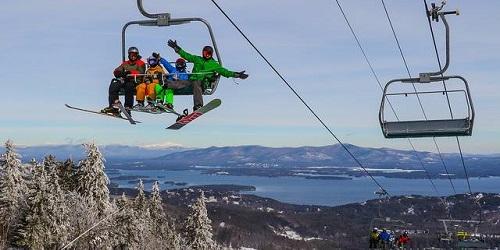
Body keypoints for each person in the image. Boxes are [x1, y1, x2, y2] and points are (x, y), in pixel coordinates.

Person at [166, 39, 249, 111]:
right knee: (181, 82)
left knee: (196, 83)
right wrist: (176, 48)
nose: (207, 55)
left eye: (209, 53)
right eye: (205, 53)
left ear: (211, 54)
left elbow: (225, 72)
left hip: (202, 83)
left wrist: (236, 75)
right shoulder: (197, 59)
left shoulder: (214, 64)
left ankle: (198, 105)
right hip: (192, 80)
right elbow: (186, 55)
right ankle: (165, 84)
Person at [101, 46, 145, 116]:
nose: (133, 56)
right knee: (114, 85)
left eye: (135, 55)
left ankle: (128, 106)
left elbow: (141, 72)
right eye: (132, 55)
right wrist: (119, 73)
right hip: (125, 80)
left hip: (135, 81)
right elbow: (117, 70)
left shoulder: (140, 63)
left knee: (129, 86)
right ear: (129, 55)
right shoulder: (126, 63)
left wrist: (130, 73)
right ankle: (114, 105)